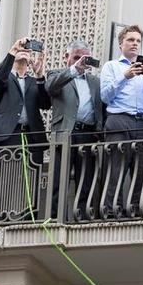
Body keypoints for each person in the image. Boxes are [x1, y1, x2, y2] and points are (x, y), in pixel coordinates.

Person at [99, 25, 143, 217]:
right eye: (130, 40)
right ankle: (110, 211)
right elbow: (105, 96)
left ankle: (135, 211)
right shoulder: (111, 66)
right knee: (115, 171)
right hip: (119, 120)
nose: (135, 44)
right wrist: (124, 77)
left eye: (138, 41)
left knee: (141, 172)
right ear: (121, 43)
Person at [46, 40, 103, 220]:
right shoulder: (56, 74)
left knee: (86, 179)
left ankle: (82, 218)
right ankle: (56, 218)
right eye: (77, 57)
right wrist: (73, 70)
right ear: (67, 57)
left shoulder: (95, 81)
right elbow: (50, 87)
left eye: (85, 58)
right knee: (58, 178)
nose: (81, 62)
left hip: (87, 133)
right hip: (64, 133)